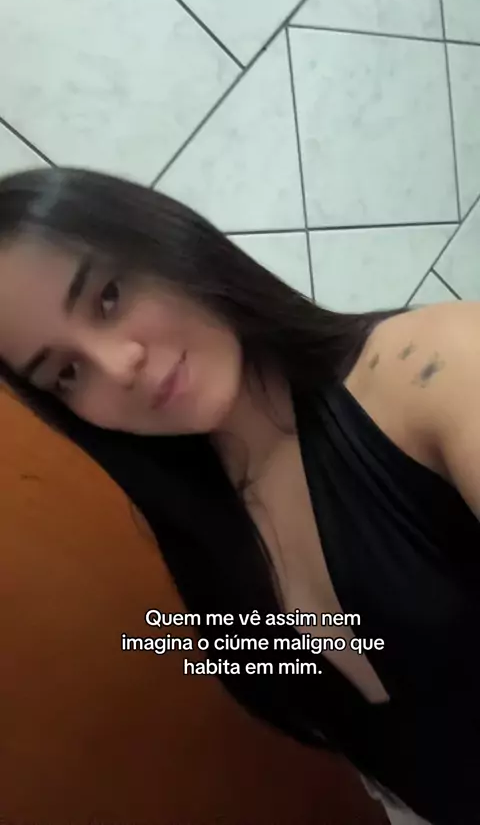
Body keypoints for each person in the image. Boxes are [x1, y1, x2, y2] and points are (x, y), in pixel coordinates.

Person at [0, 167, 479, 825]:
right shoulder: (206, 549)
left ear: (165, 242)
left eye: (108, 296)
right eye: (67, 372)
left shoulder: (435, 369)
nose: (119, 365)